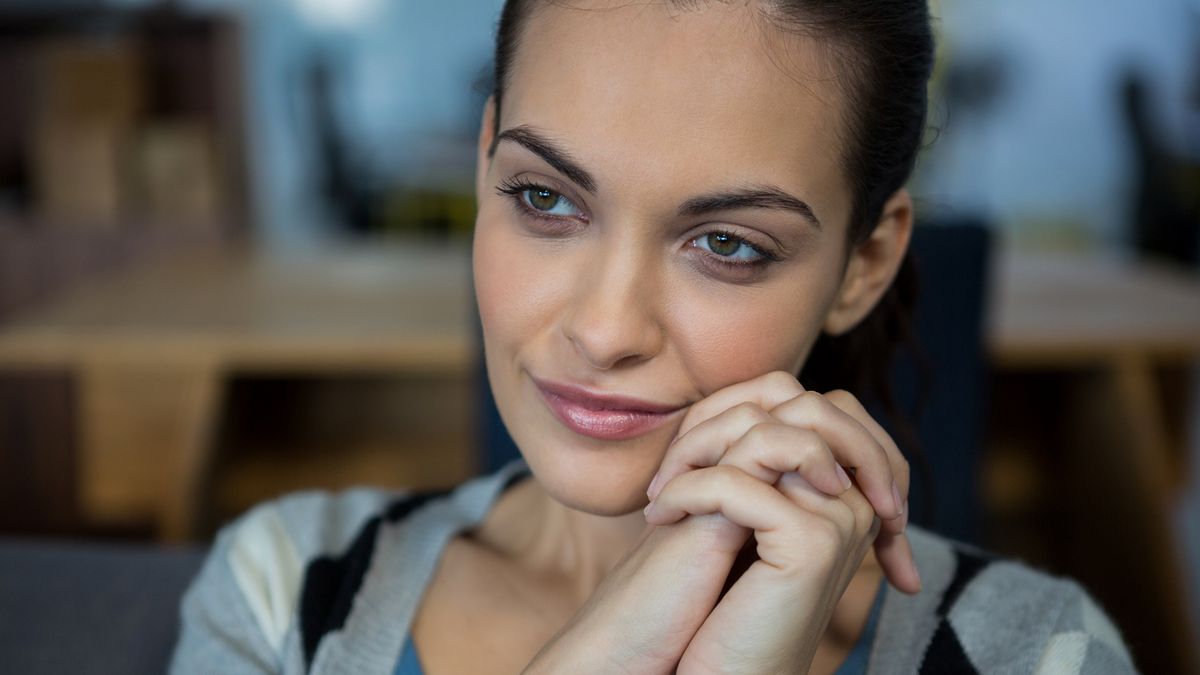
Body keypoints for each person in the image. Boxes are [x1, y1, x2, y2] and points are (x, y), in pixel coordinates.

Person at [171, 1, 1138, 673]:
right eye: (544, 197)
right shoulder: (286, 591)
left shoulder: (1039, 654)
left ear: (864, 263)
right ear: (484, 169)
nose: (602, 330)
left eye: (726, 243)